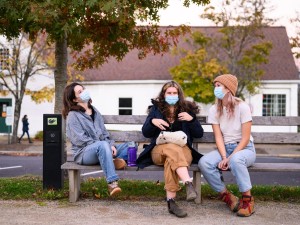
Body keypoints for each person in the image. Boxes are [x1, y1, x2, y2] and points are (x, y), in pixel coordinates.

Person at [136, 81, 204, 218]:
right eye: (169, 93)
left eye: (175, 93)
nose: (172, 95)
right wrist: (152, 122)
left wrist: (191, 120)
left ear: (179, 95)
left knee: (171, 160)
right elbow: (146, 133)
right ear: (164, 94)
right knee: (172, 150)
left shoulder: (187, 110)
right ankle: (188, 183)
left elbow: (199, 134)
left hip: (183, 151)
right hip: (159, 150)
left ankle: (171, 202)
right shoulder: (156, 110)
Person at [198, 74, 256, 217]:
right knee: (204, 162)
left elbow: (245, 138)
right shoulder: (214, 109)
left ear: (228, 88)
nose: (215, 89)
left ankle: (247, 200)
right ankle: (227, 196)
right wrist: (224, 156)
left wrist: (230, 158)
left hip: (244, 149)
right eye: (215, 86)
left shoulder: (243, 107)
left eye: (218, 86)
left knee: (236, 160)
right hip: (225, 148)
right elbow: (218, 136)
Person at [62, 82, 129, 196]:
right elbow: (80, 140)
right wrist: (105, 145)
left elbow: (104, 133)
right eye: (80, 92)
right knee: (102, 145)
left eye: (83, 89)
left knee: (130, 145)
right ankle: (112, 183)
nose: (84, 92)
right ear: (74, 99)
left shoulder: (95, 111)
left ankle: (110, 161)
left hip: (102, 148)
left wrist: (110, 145)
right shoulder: (73, 116)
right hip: (83, 153)